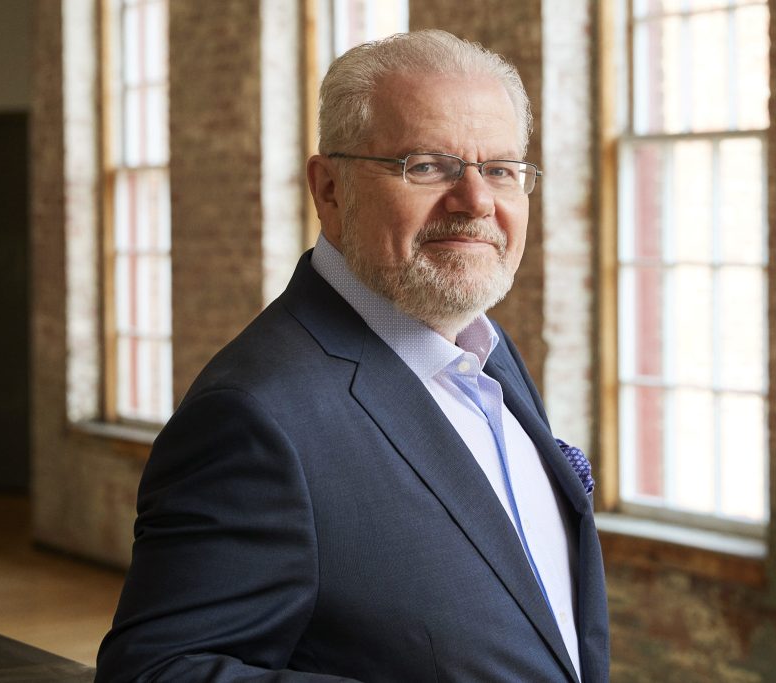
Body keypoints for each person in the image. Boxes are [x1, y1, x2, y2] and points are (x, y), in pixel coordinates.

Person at [95, 29, 609, 682]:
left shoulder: (486, 349)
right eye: (427, 165)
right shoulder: (256, 417)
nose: (477, 202)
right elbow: (155, 671)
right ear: (330, 190)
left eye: (501, 169)